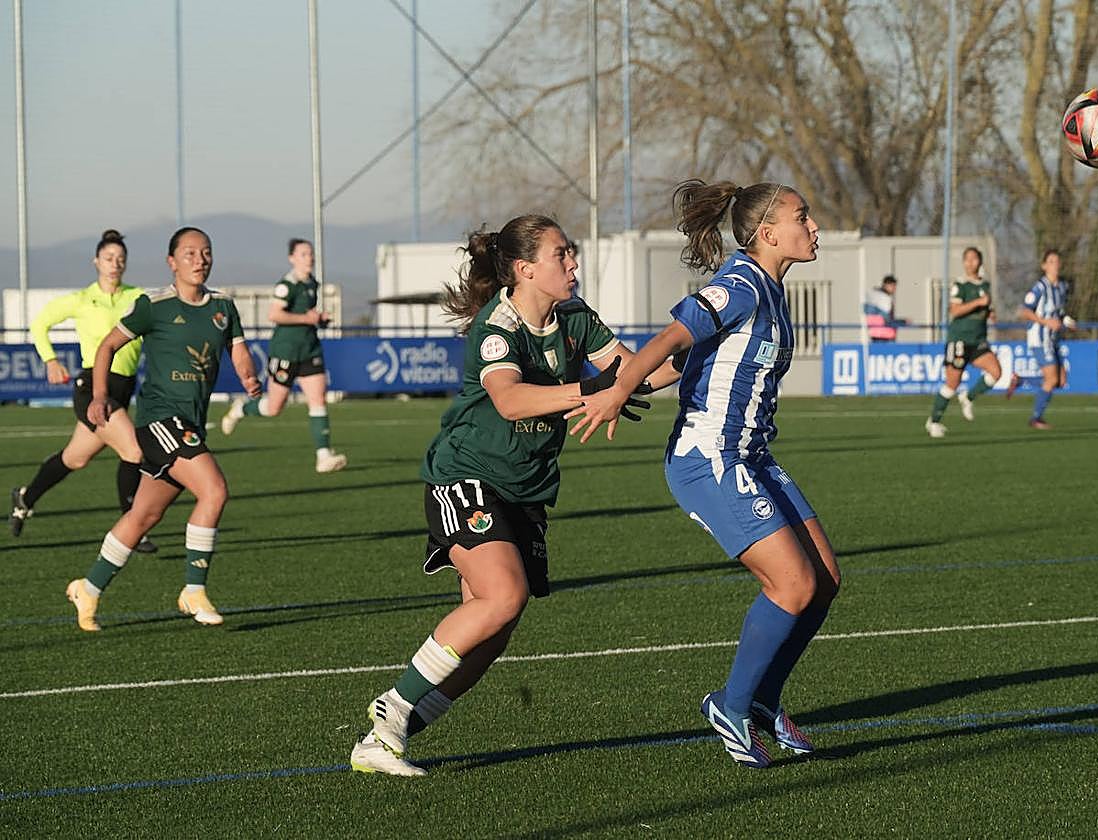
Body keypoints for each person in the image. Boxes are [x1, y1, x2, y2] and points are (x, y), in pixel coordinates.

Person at [349, 214, 673, 776]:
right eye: (561, 255)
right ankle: (392, 710)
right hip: (466, 477)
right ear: (525, 269)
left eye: (571, 253)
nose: (573, 263)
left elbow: (635, 372)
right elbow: (511, 401)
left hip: (524, 490)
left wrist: (706, 348)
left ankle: (392, 734)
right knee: (503, 597)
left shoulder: (576, 317)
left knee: (495, 628)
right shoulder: (497, 327)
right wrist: (591, 390)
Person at [565, 180, 841, 769]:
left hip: (751, 456)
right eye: (803, 217)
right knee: (791, 585)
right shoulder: (739, 285)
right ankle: (731, 707)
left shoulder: (769, 288)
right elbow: (669, 338)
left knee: (824, 581)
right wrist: (616, 390)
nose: (814, 226)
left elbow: (681, 365)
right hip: (709, 459)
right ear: (767, 234)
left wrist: (641, 381)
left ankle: (763, 702)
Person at [64, 227, 261, 632]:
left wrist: (249, 376)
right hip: (159, 421)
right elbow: (106, 347)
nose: (199, 259)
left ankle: (89, 586)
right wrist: (100, 395)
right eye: (189, 253)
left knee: (144, 514)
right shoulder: (152, 305)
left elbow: (237, 349)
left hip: (189, 422)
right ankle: (193, 589)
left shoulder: (223, 307)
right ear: (172, 261)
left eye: (205, 252)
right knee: (214, 490)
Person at [9, 230, 157, 553]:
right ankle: (132, 528)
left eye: (120, 259)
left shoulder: (137, 297)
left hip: (122, 388)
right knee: (134, 451)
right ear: (96, 262)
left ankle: (24, 497)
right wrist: (50, 360)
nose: (115, 264)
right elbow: (39, 324)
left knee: (74, 459)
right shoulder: (81, 299)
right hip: (92, 388)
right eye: (108, 258)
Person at [220, 238, 347, 473]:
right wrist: (307, 318)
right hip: (285, 351)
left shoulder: (312, 283)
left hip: (310, 349)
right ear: (292, 258)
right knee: (274, 407)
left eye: (310, 254)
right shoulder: (286, 285)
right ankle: (241, 409)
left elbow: (305, 314)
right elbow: (275, 315)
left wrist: (319, 319)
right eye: (303, 254)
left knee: (318, 400)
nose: (309, 258)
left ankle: (323, 456)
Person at [924, 246, 1009, 438]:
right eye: (967, 259)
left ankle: (968, 397)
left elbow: (986, 309)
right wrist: (978, 303)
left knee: (996, 372)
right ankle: (934, 421)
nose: (970, 263)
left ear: (979, 262)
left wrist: (991, 313)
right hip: (959, 340)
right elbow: (954, 310)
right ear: (964, 263)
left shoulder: (985, 286)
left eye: (974, 259)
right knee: (952, 384)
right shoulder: (960, 285)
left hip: (978, 340)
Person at [1017, 249, 1075, 429]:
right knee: (1050, 380)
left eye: (1057, 261)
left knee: (1061, 381)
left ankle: (1021, 380)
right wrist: (1045, 322)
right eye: (1051, 261)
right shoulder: (1039, 288)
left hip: (1053, 339)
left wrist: (1067, 321)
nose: (1055, 264)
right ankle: (1036, 419)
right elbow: (1025, 311)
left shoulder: (1062, 287)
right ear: (1044, 266)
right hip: (1039, 338)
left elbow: (1060, 313)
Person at [862, 274, 907, 341]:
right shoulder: (884, 299)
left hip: (875, 333)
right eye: (893, 286)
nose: (894, 289)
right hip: (884, 334)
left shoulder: (873, 297)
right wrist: (902, 322)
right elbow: (886, 320)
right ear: (886, 285)